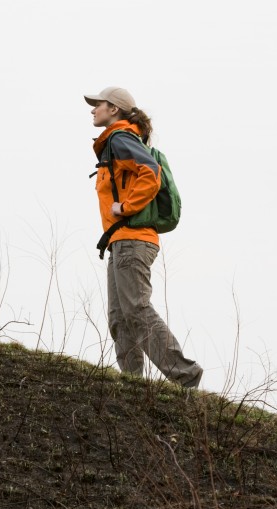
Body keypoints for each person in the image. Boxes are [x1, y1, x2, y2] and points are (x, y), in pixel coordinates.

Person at [84, 86, 203, 388]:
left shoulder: (121, 138)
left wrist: (126, 206)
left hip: (132, 240)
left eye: (98, 104)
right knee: (119, 318)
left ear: (114, 109)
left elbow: (151, 171)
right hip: (120, 241)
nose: (92, 109)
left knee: (136, 310)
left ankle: (185, 376)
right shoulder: (117, 140)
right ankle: (133, 386)